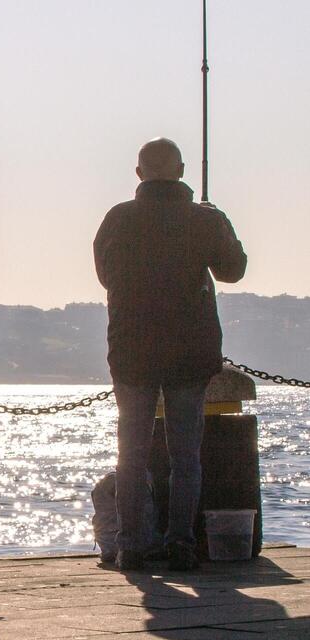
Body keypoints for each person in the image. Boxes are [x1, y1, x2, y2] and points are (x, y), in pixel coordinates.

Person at [94, 137, 247, 572]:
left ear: (139, 174)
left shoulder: (118, 219)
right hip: (190, 352)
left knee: (132, 454)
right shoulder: (205, 219)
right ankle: (181, 542)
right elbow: (233, 270)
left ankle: (132, 545)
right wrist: (220, 223)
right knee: (185, 456)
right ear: (181, 171)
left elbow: (106, 276)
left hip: (132, 350)